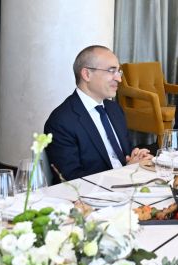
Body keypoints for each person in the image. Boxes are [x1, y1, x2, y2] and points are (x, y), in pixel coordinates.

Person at [45, 45, 152, 182]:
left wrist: (137, 156)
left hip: (130, 183)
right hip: (96, 193)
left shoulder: (115, 109)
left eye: (119, 72)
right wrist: (125, 172)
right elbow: (70, 179)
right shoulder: (61, 121)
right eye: (111, 71)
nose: (119, 79)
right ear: (87, 74)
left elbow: (125, 155)